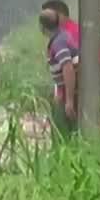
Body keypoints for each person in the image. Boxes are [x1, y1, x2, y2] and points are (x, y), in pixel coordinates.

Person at [42, 0, 100, 73]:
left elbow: (69, 67)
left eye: (45, 17)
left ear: (59, 15)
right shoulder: (74, 30)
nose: (42, 22)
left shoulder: (66, 36)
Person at [41, 9, 76, 139]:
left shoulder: (58, 43)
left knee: (63, 131)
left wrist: (69, 100)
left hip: (72, 92)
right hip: (66, 91)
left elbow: (68, 68)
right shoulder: (62, 36)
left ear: (42, 27)